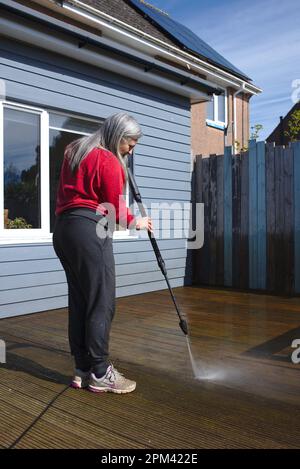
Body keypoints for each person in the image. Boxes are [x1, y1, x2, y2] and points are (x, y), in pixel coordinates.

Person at [52, 112, 153, 394]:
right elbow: (115, 210)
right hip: (89, 231)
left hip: (63, 230)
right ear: (118, 136)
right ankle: (100, 372)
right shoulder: (109, 160)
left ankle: (82, 368)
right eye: (129, 145)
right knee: (101, 300)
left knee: (81, 300)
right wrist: (137, 222)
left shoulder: (75, 149)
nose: (131, 151)